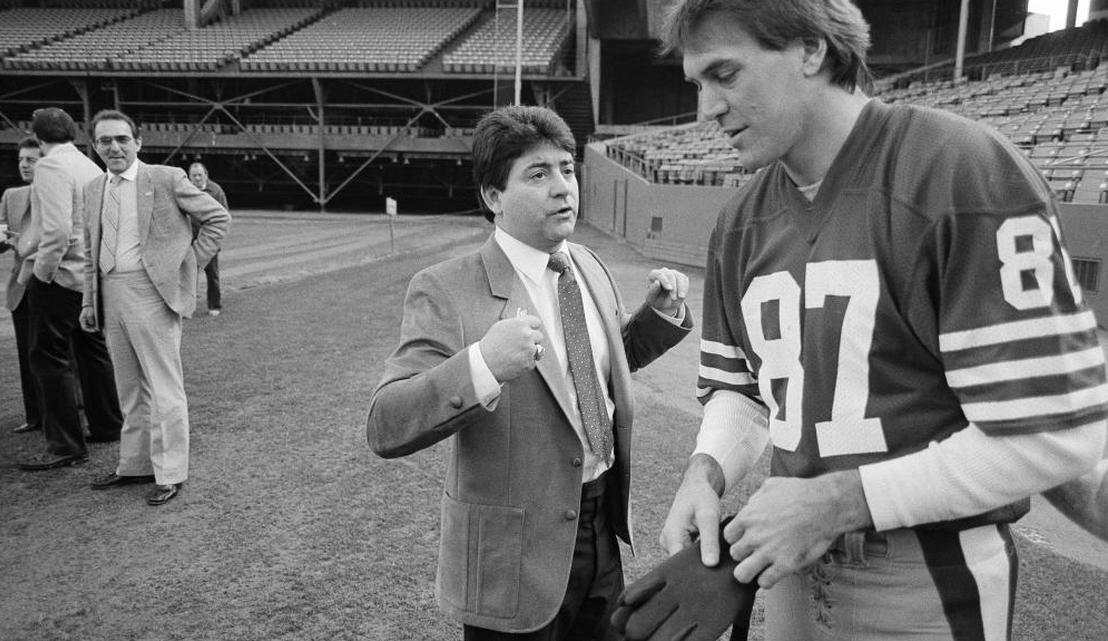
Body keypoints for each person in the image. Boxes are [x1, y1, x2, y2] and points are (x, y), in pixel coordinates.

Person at [652, 2, 1108, 639]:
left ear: (811, 49)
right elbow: (748, 392)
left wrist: (841, 500)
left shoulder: (960, 169)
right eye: (697, 83)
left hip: (928, 574)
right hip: (789, 570)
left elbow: (1054, 435)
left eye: (725, 74)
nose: (707, 107)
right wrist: (705, 472)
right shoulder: (739, 221)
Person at [366, 105, 693, 640]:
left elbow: (593, 375)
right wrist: (483, 365)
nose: (562, 187)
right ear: (493, 197)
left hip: (601, 532)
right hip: (510, 561)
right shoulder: (445, 287)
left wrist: (657, 318)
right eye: (537, 174)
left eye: (566, 168)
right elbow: (386, 423)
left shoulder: (589, 265)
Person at [81, 109, 230, 506]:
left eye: (122, 139)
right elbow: (89, 249)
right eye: (105, 141)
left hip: (152, 294)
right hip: (110, 293)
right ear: (94, 145)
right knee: (129, 389)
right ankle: (135, 465)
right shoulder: (94, 188)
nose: (114, 147)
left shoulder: (166, 178)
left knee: (164, 389)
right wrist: (88, 300)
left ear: (138, 141)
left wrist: (188, 264)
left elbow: (217, 218)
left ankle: (170, 473)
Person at [15, 107, 123, 471]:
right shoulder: (88, 165)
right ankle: (107, 423)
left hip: (60, 276)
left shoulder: (50, 166)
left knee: (47, 357)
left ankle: (64, 444)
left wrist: (41, 274)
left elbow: (58, 231)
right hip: (88, 277)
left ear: (39, 137)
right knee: (92, 351)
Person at [0, 137, 44, 434]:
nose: (24, 165)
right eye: (21, 159)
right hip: (21, 288)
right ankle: (34, 416)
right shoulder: (12, 195)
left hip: (53, 283)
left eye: (31, 160)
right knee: (26, 354)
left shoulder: (59, 192)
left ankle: (71, 409)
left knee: (61, 354)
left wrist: (20, 242)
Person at [187, 161, 228, 316]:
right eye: (193, 175)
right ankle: (187, 307)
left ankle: (214, 305)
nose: (197, 178)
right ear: (189, 177)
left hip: (209, 241)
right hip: (189, 240)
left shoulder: (216, 191)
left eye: (199, 175)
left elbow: (224, 215)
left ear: (206, 175)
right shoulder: (185, 190)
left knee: (212, 274)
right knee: (188, 276)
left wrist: (215, 238)